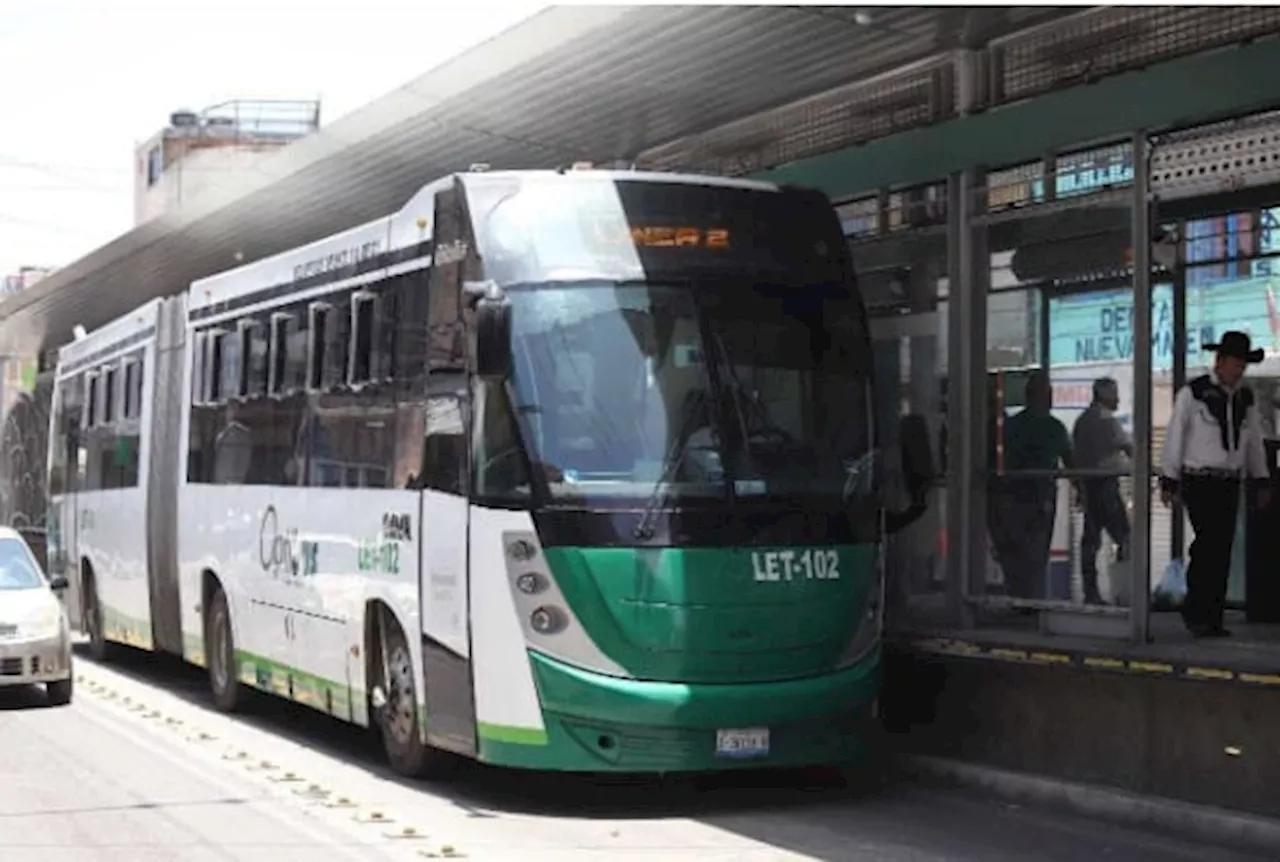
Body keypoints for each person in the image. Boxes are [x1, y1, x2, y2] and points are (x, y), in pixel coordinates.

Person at [1160, 331, 1272, 637]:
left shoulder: (1245, 399)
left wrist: (1261, 478)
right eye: (1236, 364)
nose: (1239, 371)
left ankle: (1211, 617)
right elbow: (1175, 436)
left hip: (1229, 481)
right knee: (1209, 542)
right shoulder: (1193, 394)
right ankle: (1198, 610)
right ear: (1220, 362)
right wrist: (1169, 477)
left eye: (1243, 366)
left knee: (1221, 548)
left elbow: (1253, 442)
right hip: (1199, 479)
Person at [998, 370, 1074, 600]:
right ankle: (1032, 600)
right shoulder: (1054, 427)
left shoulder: (1012, 426)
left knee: (1016, 552)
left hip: (1013, 497)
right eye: (1048, 393)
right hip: (1040, 497)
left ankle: (1020, 597)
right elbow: (1070, 461)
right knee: (1037, 552)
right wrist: (1081, 489)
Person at [1072, 377, 1133, 605]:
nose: (1117, 399)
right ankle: (1126, 591)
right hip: (1106, 486)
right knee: (1125, 538)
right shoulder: (1107, 421)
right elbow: (1128, 447)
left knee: (1090, 541)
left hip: (1088, 487)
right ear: (1104, 396)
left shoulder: (1081, 421)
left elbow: (1075, 456)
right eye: (1115, 394)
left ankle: (1091, 592)